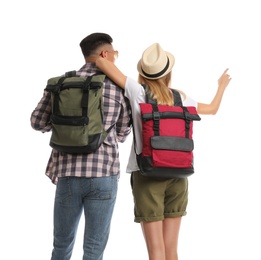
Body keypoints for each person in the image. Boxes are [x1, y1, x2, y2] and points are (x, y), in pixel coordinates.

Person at [96, 42, 231, 260]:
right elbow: (213, 110)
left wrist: (110, 54)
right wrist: (221, 86)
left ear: (143, 73)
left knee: (156, 252)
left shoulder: (137, 91)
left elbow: (101, 61)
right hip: (179, 175)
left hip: (148, 174)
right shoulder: (181, 98)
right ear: (169, 73)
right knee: (171, 251)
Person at [30, 33, 131, 260]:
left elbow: (37, 122)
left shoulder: (61, 84)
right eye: (114, 54)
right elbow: (124, 133)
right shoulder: (118, 87)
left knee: (61, 245)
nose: (116, 58)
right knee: (94, 249)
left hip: (67, 174)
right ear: (105, 54)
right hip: (104, 175)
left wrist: (64, 127)